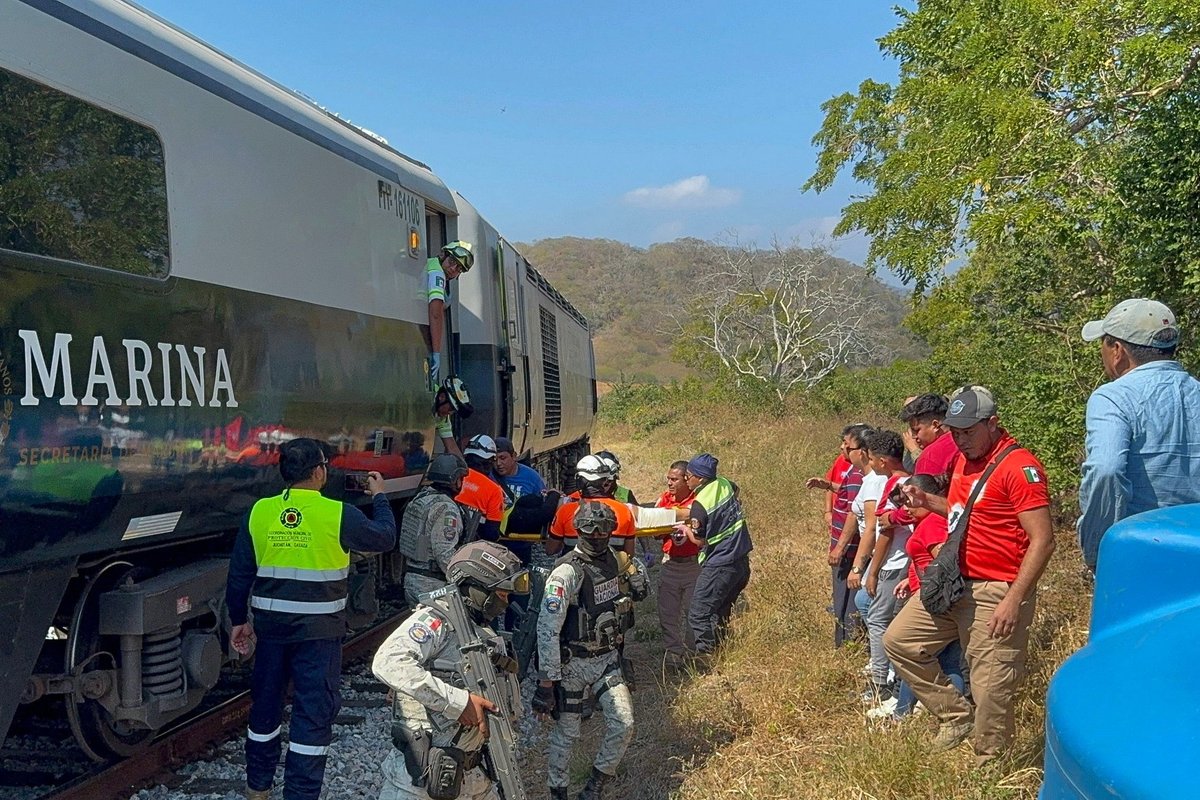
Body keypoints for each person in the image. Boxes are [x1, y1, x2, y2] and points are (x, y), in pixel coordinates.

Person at [885, 386, 1055, 763]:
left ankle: (990, 770)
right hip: (956, 583)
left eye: (968, 431)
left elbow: (1042, 540)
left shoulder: (1018, 467)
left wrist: (1014, 599)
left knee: (990, 687)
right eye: (955, 431)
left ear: (992, 424)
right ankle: (955, 716)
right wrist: (926, 501)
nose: (960, 439)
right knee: (899, 641)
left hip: (998, 588)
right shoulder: (963, 461)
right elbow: (965, 514)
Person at [226, 438, 397, 800]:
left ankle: (257, 787)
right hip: (319, 635)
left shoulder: (260, 512)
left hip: (270, 630)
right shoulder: (338, 514)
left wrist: (238, 619)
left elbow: (239, 573)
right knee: (312, 713)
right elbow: (385, 537)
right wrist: (380, 495)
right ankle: (301, 794)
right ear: (319, 471)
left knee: (266, 706)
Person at [373, 541, 529, 800]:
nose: (505, 602)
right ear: (478, 590)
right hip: (422, 783)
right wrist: (458, 702)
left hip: (475, 777)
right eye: (501, 594)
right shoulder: (437, 620)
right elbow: (388, 660)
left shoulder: (482, 631)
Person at [1078, 298, 1200, 573]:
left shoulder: (1113, 397)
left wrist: (1099, 548)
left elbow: (1106, 471)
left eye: (1104, 344)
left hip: (1142, 552)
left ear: (1118, 350)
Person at [535, 502, 647, 800]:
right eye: (589, 529)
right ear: (577, 530)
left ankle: (594, 787)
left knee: (624, 723)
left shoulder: (618, 560)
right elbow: (547, 628)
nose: (597, 535)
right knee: (566, 736)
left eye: (604, 529)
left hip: (607, 660)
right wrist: (547, 684)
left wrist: (637, 579)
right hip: (572, 666)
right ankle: (558, 792)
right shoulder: (566, 573)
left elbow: (640, 588)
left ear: (613, 530)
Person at [885, 472, 966, 720]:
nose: (905, 510)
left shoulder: (931, 524)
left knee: (920, 655)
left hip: (937, 603)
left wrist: (926, 588)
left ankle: (942, 715)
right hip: (936, 597)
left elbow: (944, 562)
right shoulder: (932, 522)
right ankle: (921, 712)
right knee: (940, 660)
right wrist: (912, 580)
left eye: (909, 503)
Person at [678, 453, 753, 658]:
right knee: (721, 611)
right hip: (741, 562)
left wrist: (686, 531)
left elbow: (700, 541)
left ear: (700, 479)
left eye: (689, 476)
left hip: (720, 564)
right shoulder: (723, 483)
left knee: (698, 614)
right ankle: (724, 652)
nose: (686, 479)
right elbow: (736, 490)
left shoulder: (700, 505)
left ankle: (707, 658)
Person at [860, 430, 911, 709]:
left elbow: (886, 531)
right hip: (905, 562)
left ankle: (881, 683)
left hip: (894, 564)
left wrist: (874, 569)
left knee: (879, 621)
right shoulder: (911, 481)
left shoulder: (896, 486)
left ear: (881, 461)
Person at [807, 424, 870, 647]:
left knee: (846, 601)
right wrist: (828, 486)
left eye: (847, 444)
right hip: (852, 550)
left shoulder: (857, 476)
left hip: (850, 552)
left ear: (862, 450)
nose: (842, 448)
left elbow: (854, 514)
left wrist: (839, 548)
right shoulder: (856, 472)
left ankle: (846, 645)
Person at [397, 453, 470, 608]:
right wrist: (465, 578)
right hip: (433, 585)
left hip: (412, 578)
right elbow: (443, 552)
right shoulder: (446, 508)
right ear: (454, 480)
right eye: (461, 479)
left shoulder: (419, 499)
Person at [546, 455, 637, 557]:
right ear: (605, 481)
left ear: (581, 481)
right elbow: (630, 554)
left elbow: (551, 549)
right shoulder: (625, 511)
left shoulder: (565, 511)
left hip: (576, 570)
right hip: (613, 570)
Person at [655, 460, 699, 665]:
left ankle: (693, 652)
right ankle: (673, 653)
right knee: (668, 613)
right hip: (670, 563)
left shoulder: (698, 501)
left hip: (694, 565)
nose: (670, 484)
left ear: (686, 479)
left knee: (695, 611)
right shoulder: (663, 500)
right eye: (668, 479)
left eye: (675, 479)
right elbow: (655, 534)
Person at [426, 241, 474, 391]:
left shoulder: (433, 266)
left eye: (459, 268)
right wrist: (436, 352)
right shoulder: (436, 274)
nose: (453, 269)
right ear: (443, 255)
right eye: (452, 262)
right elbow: (435, 313)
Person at [455, 434, 505, 543]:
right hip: (469, 546)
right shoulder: (494, 490)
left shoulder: (453, 477)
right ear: (490, 461)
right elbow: (491, 533)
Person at [901, 393, 959, 478]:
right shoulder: (964, 439)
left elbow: (922, 490)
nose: (913, 436)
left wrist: (916, 453)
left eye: (917, 430)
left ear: (935, 425)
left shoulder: (930, 457)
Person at [431, 375, 473, 458]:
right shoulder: (426, 399)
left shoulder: (442, 418)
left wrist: (463, 468)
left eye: (453, 411)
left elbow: (452, 448)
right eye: (451, 408)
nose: (450, 413)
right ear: (442, 397)